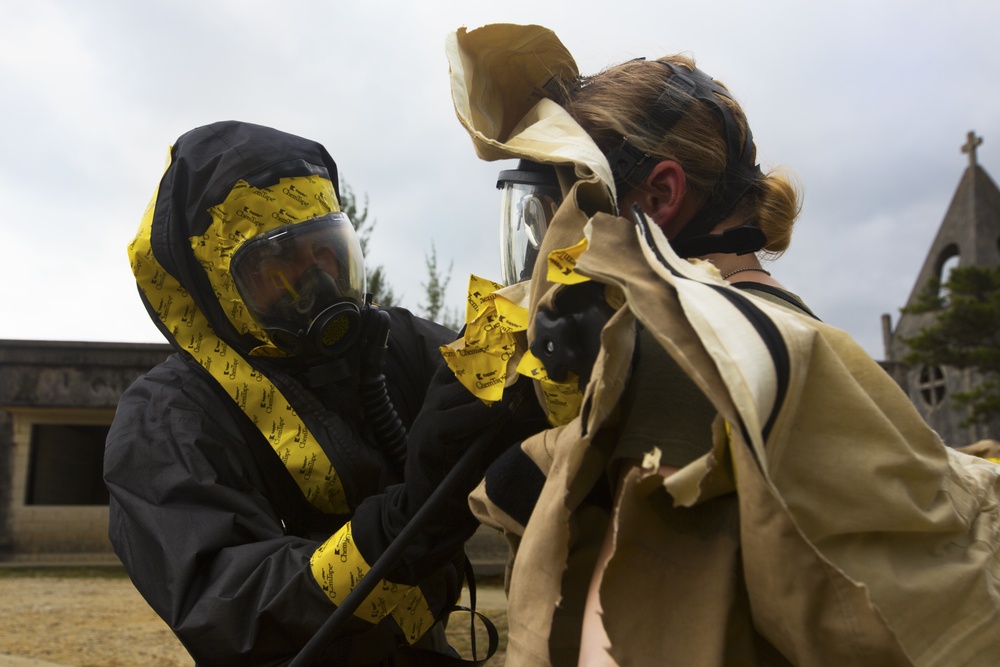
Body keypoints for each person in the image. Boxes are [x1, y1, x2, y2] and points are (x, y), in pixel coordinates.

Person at [452, 23, 1000, 667]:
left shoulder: (684, 352)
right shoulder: (792, 332)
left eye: (565, 211)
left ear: (659, 196)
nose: (551, 251)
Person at [104, 120, 542, 666]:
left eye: (324, 251)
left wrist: (551, 327)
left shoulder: (390, 344)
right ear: (220, 286)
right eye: (281, 262)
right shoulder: (167, 417)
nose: (316, 281)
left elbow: (509, 370)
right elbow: (226, 602)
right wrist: (390, 535)